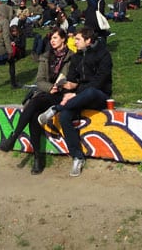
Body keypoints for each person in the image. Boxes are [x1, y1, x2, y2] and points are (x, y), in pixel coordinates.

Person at [37, 27, 112, 177]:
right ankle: (77, 157)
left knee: (90, 92)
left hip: (100, 95)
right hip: (79, 97)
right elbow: (72, 79)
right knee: (65, 116)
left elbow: (99, 82)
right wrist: (68, 89)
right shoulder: (77, 57)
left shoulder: (103, 54)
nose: (74, 42)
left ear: (88, 40)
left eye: (77, 39)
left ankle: (55, 109)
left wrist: (76, 90)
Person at [0, 28, 73, 174]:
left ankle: (14, 138)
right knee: (34, 114)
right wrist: (50, 87)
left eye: (56, 38)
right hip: (46, 92)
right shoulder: (45, 57)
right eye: (51, 38)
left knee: (34, 104)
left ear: (63, 39)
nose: (52, 40)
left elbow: (72, 77)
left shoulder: (72, 57)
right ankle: (37, 158)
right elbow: (39, 80)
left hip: (62, 94)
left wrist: (58, 87)